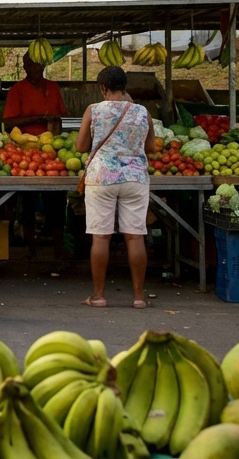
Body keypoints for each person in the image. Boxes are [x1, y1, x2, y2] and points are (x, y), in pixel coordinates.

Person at [74, 65, 154, 309]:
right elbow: (150, 147)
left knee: (101, 236)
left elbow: (80, 146)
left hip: (102, 178)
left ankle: (98, 296)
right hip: (134, 178)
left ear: (103, 88)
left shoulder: (94, 110)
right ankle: (139, 297)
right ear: (125, 87)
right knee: (135, 235)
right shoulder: (142, 112)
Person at [3, 52, 70, 258]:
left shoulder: (54, 87)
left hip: (52, 152)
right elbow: (8, 123)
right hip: (26, 155)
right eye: (30, 65)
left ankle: (58, 249)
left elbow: (63, 115)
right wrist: (38, 118)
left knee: (57, 200)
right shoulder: (17, 90)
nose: (35, 68)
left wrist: (54, 120)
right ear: (24, 67)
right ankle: (31, 250)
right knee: (28, 201)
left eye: (38, 64)